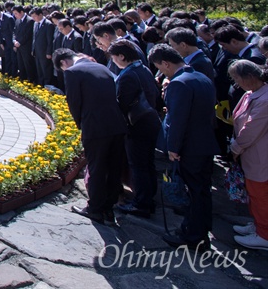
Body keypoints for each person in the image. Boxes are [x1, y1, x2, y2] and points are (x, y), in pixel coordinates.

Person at [150, 43, 219, 249]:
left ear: (166, 63)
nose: (161, 73)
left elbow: (177, 120)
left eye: (160, 68)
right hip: (205, 143)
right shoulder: (200, 77)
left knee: (193, 193)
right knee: (202, 192)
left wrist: (173, 148)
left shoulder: (179, 83)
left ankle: (193, 235)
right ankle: (201, 230)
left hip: (189, 147)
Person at [56, 48, 126, 224]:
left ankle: (94, 208)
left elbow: (74, 102)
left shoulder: (73, 72)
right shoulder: (102, 67)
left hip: (95, 127)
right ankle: (109, 210)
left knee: (96, 168)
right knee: (113, 168)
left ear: (64, 62)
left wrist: (81, 124)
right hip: (116, 124)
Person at [109, 40, 159, 218]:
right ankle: (148, 198)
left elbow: (122, 104)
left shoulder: (128, 75)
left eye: (114, 57)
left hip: (137, 126)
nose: (113, 61)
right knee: (148, 163)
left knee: (138, 166)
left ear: (122, 56)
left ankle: (141, 203)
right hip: (150, 122)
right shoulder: (143, 69)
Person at [229, 60, 268, 250]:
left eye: (238, 78)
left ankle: (264, 234)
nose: (236, 83)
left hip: (260, 155)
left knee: (261, 195)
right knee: (254, 194)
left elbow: (251, 129)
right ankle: (259, 225)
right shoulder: (251, 94)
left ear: (250, 77)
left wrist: (235, 148)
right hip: (251, 154)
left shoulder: (265, 99)